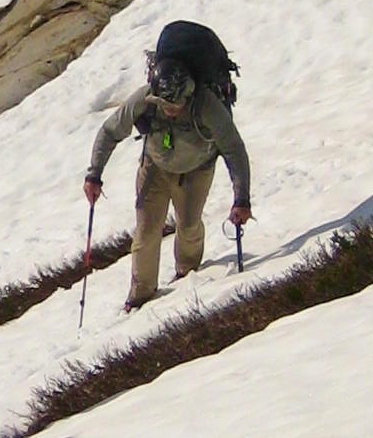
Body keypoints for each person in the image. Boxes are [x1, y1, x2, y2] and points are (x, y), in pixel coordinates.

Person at [84, 33, 252, 311]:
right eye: (164, 106)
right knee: (147, 231)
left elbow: (234, 149)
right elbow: (110, 131)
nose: (170, 111)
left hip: (196, 171)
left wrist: (241, 199)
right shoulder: (145, 99)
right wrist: (94, 174)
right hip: (154, 168)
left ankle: (187, 275)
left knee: (188, 227)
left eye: (175, 106)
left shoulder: (207, 106)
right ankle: (139, 295)